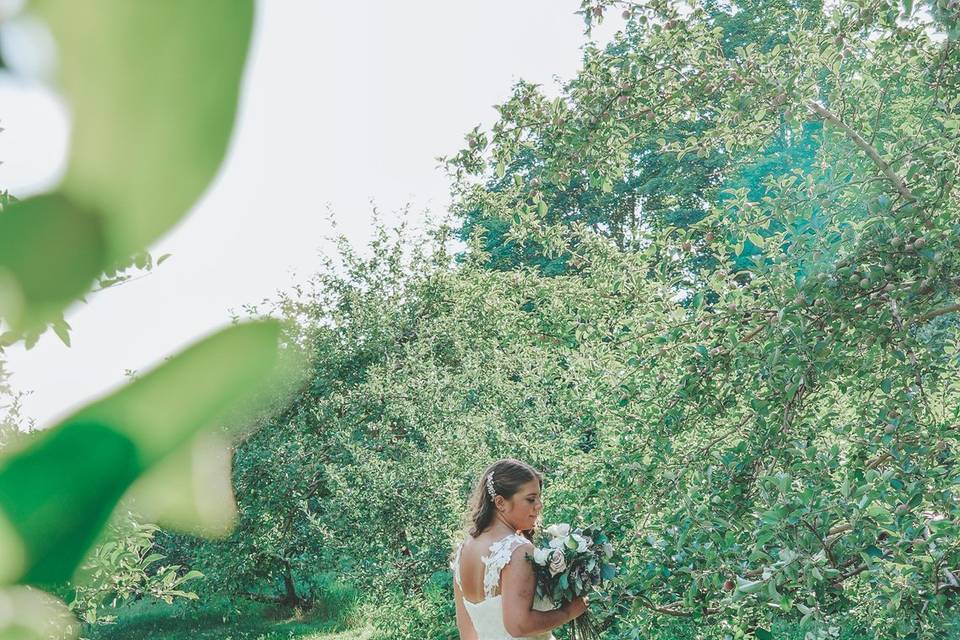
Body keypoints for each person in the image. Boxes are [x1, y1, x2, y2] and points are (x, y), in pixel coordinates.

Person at [450, 458, 588, 640]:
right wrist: (568, 612)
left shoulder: (464, 550)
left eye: (539, 498)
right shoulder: (517, 550)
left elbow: (466, 632)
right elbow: (518, 625)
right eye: (531, 499)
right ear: (500, 503)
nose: (539, 505)